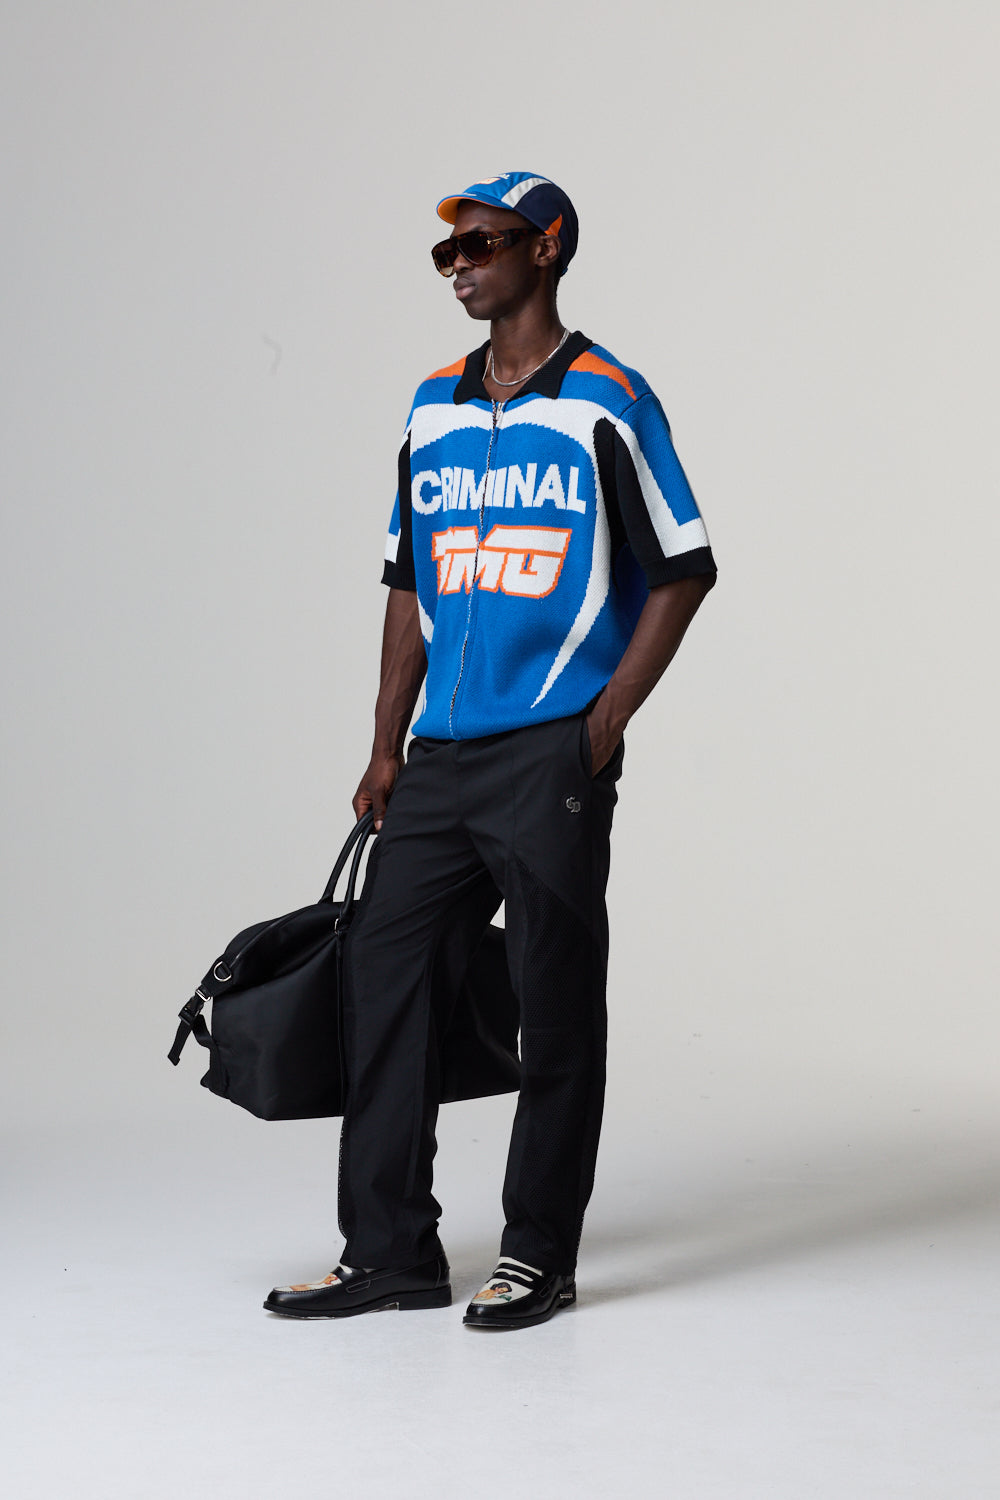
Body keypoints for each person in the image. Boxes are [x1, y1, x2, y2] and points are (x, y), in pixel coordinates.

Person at [265, 171, 717, 1330]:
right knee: (386, 989)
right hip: (436, 759)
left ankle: (536, 1255)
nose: (460, 264)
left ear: (548, 249)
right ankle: (389, 1255)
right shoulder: (432, 405)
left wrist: (603, 723)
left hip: (545, 759)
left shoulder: (607, 399)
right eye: (447, 253)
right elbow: (406, 578)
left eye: (483, 245)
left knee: (554, 999)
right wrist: (381, 746)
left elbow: (685, 567)